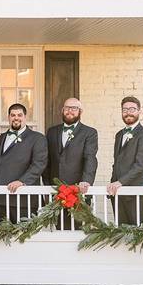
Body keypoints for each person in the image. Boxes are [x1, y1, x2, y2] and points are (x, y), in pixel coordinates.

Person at [44, 98, 98, 229]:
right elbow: (47, 160)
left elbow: (90, 158)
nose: (70, 111)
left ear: (80, 112)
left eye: (74, 108)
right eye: (67, 108)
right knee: (57, 229)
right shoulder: (52, 131)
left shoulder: (89, 133)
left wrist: (86, 181)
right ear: (62, 110)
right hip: (56, 192)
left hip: (77, 190)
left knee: (77, 230)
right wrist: (47, 185)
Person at [0, 103, 48, 223]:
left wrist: (22, 181)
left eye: (19, 115)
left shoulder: (37, 138)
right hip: (1, 197)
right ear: (9, 117)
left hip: (24, 199)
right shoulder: (0, 138)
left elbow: (39, 164)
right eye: (13, 115)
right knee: (3, 239)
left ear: (25, 117)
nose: (16, 118)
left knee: (24, 239)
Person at [108, 96, 143, 225]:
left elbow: (141, 165)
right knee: (122, 233)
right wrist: (113, 183)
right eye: (125, 109)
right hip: (118, 193)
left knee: (139, 235)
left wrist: (120, 182)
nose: (128, 112)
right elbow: (116, 163)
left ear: (139, 111)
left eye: (132, 109)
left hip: (137, 193)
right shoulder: (119, 135)